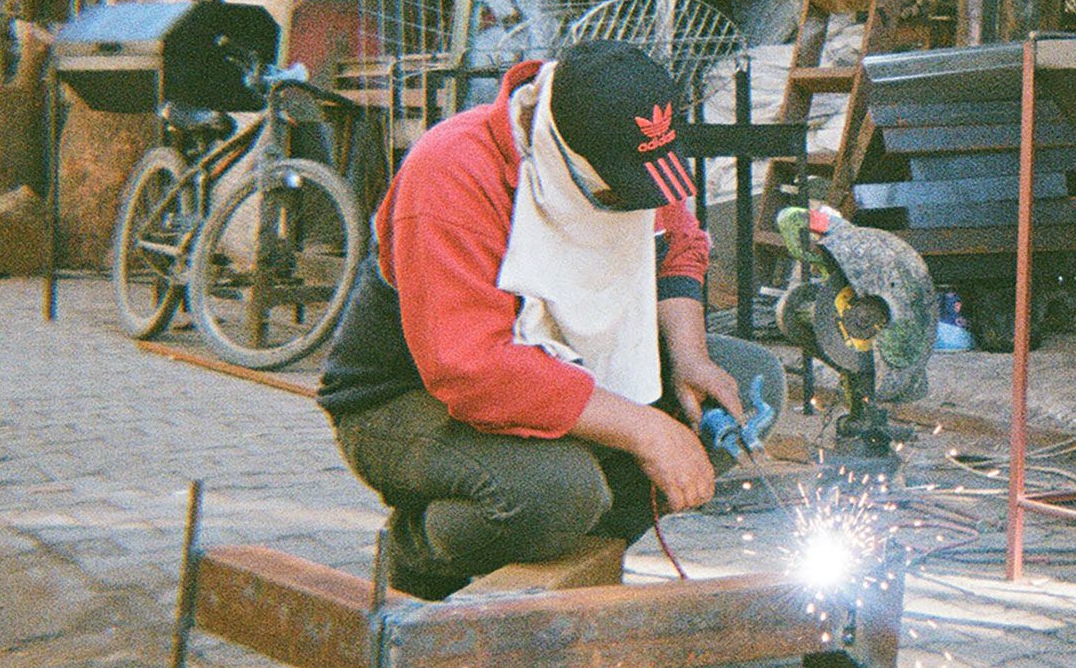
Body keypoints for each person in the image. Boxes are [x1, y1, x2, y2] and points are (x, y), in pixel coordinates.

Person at [316, 40, 774, 599]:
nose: (637, 202)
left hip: (561, 370)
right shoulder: (453, 168)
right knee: (557, 494)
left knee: (742, 391)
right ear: (559, 148)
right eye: (618, 190)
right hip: (406, 399)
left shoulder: (633, 150)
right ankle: (421, 553)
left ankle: (573, 561)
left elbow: (679, 246)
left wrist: (690, 358)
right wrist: (646, 430)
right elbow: (471, 369)